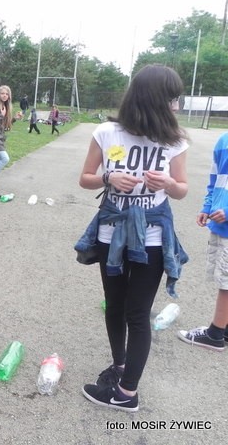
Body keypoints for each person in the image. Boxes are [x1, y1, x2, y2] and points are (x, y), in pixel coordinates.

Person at [75, 64, 189, 412]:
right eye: (172, 98)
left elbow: (182, 189)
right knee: (114, 305)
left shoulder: (175, 140)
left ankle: (127, 393)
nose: (176, 105)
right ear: (153, 99)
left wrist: (169, 183)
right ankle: (120, 366)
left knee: (137, 313)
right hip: (111, 233)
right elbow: (85, 177)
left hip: (151, 238)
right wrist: (108, 178)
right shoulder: (107, 132)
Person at [177, 133, 228, 352]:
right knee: (223, 277)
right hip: (220, 223)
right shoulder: (223, 140)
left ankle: (215, 334)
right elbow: (215, 179)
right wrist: (207, 206)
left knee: (226, 282)